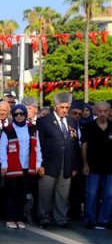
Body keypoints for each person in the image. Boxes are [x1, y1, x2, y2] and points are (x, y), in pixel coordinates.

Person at [36, 92, 81, 228]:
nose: (64, 110)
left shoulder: (72, 121)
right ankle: (44, 218)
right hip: (49, 163)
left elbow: (75, 145)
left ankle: (61, 218)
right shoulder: (44, 121)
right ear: (55, 107)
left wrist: (75, 165)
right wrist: (40, 164)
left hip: (67, 163)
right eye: (62, 107)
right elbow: (38, 144)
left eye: (67, 107)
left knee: (63, 193)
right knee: (45, 192)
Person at [0, 104, 41, 229]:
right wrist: (4, 164)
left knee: (23, 195)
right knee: (11, 194)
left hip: (27, 166)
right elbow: (2, 149)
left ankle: (19, 217)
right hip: (12, 166)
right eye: (16, 114)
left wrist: (38, 163)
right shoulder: (8, 130)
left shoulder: (33, 129)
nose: (19, 116)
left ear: (25, 115)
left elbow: (38, 148)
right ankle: (10, 218)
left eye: (21, 114)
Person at [81, 101, 112, 229]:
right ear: (95, 111)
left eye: (105, 111)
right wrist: (85, 164)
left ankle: (104, 219)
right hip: (93, 166)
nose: (102, 114)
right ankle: (90, 219)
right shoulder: (89, 126)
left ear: (110, 112)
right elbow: (84, 146)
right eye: (100, 111)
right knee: (91, 193)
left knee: (109, 194)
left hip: (110, 167)